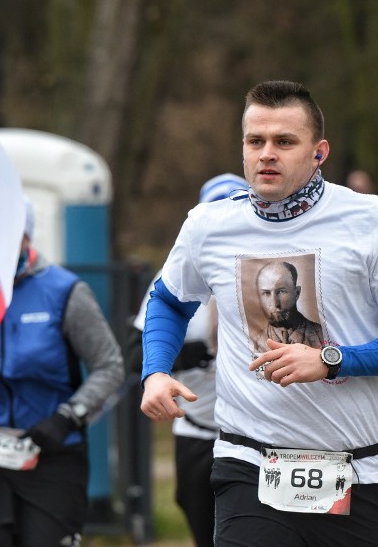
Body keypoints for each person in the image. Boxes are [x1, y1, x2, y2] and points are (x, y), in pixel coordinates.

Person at [140, 80, 378, 547]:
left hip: (356, 469)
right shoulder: (210, 225)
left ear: (319, 151)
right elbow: (168, 300)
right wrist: (155, 371)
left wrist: (329, 360)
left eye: (284, 142)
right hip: (249, 463)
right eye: (254, 141)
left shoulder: (372, 221)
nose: (267, 154)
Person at [0, 199, 125, 547]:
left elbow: (110, 366)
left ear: (26, 237)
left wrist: (67, 418)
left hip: (51, 454)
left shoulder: (65, 291)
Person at [129, 172, 248, 547]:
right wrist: (187, 356)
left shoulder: (263, 270)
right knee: (202, 524)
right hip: (197, 427)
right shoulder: (175, 275)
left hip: (255, 432)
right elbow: (134, 354)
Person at [252, 261, 324, 351]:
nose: (275, 303)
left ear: (297, 293)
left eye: (281, 292)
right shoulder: (254, 342)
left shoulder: (321, 334)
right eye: (266, 293)